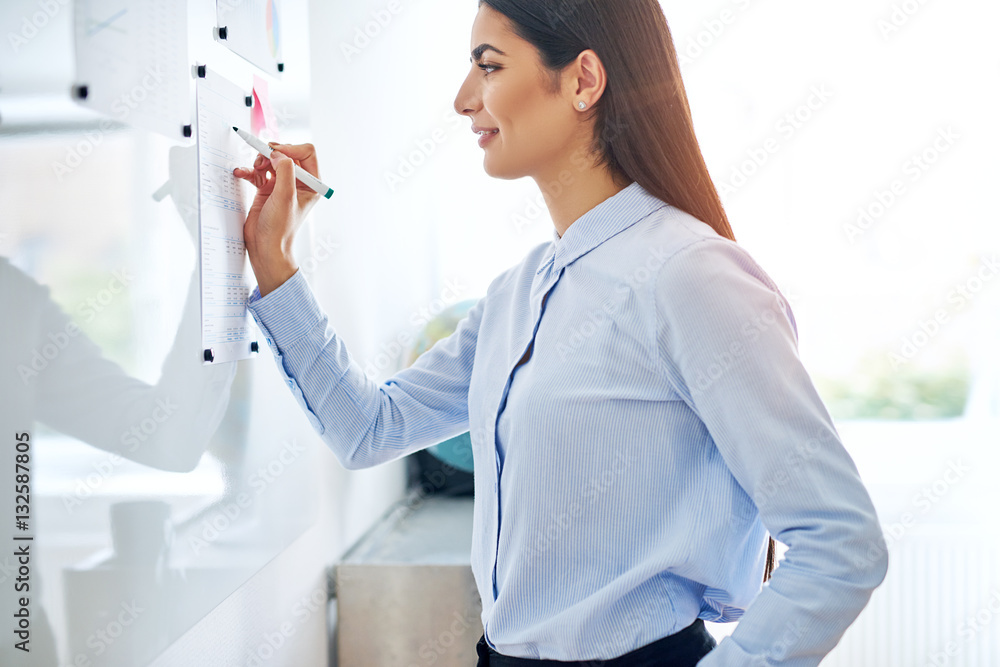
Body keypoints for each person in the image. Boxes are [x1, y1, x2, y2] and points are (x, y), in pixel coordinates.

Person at [234, 1, 889, 665]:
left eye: (488, 67)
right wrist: (276, 260)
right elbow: (370, 427)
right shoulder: (519, 291)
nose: (464, 101)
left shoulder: (691, 275)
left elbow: (842, 542)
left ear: (582, 81)